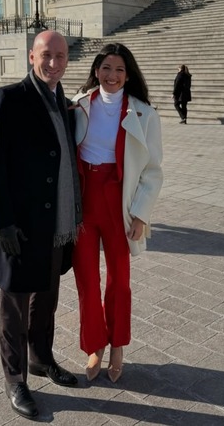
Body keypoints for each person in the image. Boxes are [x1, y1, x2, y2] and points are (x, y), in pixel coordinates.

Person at [0, 30, 81, 420]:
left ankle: (41, 358)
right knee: (14, 306)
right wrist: (1, 221)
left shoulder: (63, 103)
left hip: (54, 224)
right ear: (32, 58)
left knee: (46, 300)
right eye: (46, 55)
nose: (54, 63)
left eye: (61, 56)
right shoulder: (8, 98)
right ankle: (15, 378)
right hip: (17, 225)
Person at [70, 43, 163, 383]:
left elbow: (153, 170)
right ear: (96, 70)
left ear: (128, 75)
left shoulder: (144, 113)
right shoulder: (78, 105)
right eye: (106, 68)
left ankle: (118, 344)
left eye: (120, 70)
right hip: (84, 199)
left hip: (118, 198)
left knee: (119, 281)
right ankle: (94, 343)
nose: (112, 76)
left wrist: (140, 214)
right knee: (86, 280)